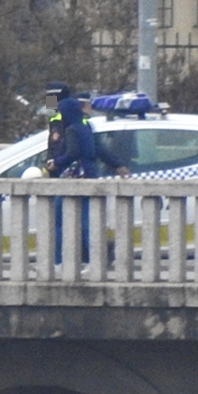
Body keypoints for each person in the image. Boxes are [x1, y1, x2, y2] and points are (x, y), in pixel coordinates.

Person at [46, 97, 130, 270]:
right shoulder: (86, 127)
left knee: (60, 219)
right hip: (90, 175)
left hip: (75, 177)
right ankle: (94, 261)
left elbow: (73, 152)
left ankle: (59, 261)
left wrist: (57, 162)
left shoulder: (71, 130)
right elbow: (100, 149)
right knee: (88, 222)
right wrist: (118, 165)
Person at [45, 82, 71, 178]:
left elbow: (57, 144)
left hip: (60, 166)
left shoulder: (62, 120)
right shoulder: (55, 118)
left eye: (51, 98)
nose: (49, 102)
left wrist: (53, 161)